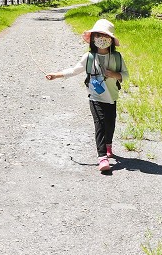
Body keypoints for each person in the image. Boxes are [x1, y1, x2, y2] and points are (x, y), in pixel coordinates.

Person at [45, 18, 129, 173]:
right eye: (98, 35)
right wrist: (56, 75)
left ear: (111, 40)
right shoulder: (89, 57)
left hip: (112, 96)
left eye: (105, 36)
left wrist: (114, 74)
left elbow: (126, 75)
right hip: (95, 97)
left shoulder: (117, 58)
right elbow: (74, 70)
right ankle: (102, 157)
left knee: (110, 123)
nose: (101, 39)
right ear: (93, 38)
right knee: (100, 124)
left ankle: (108, 145)